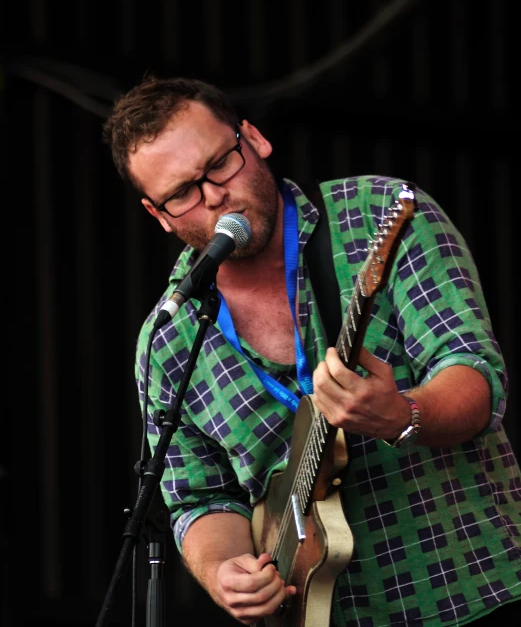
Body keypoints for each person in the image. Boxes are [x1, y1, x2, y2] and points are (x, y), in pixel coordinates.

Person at [103, 75, 521, 627]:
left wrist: (401, 415)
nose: (212, 196)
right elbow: (198, 497)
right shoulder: (168, 338)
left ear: (253, 138)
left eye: (221, 163)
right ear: (158, 215)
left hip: (475, 591)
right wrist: (223, 570)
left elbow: (474, 373)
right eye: (181, 193)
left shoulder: (379, 213)